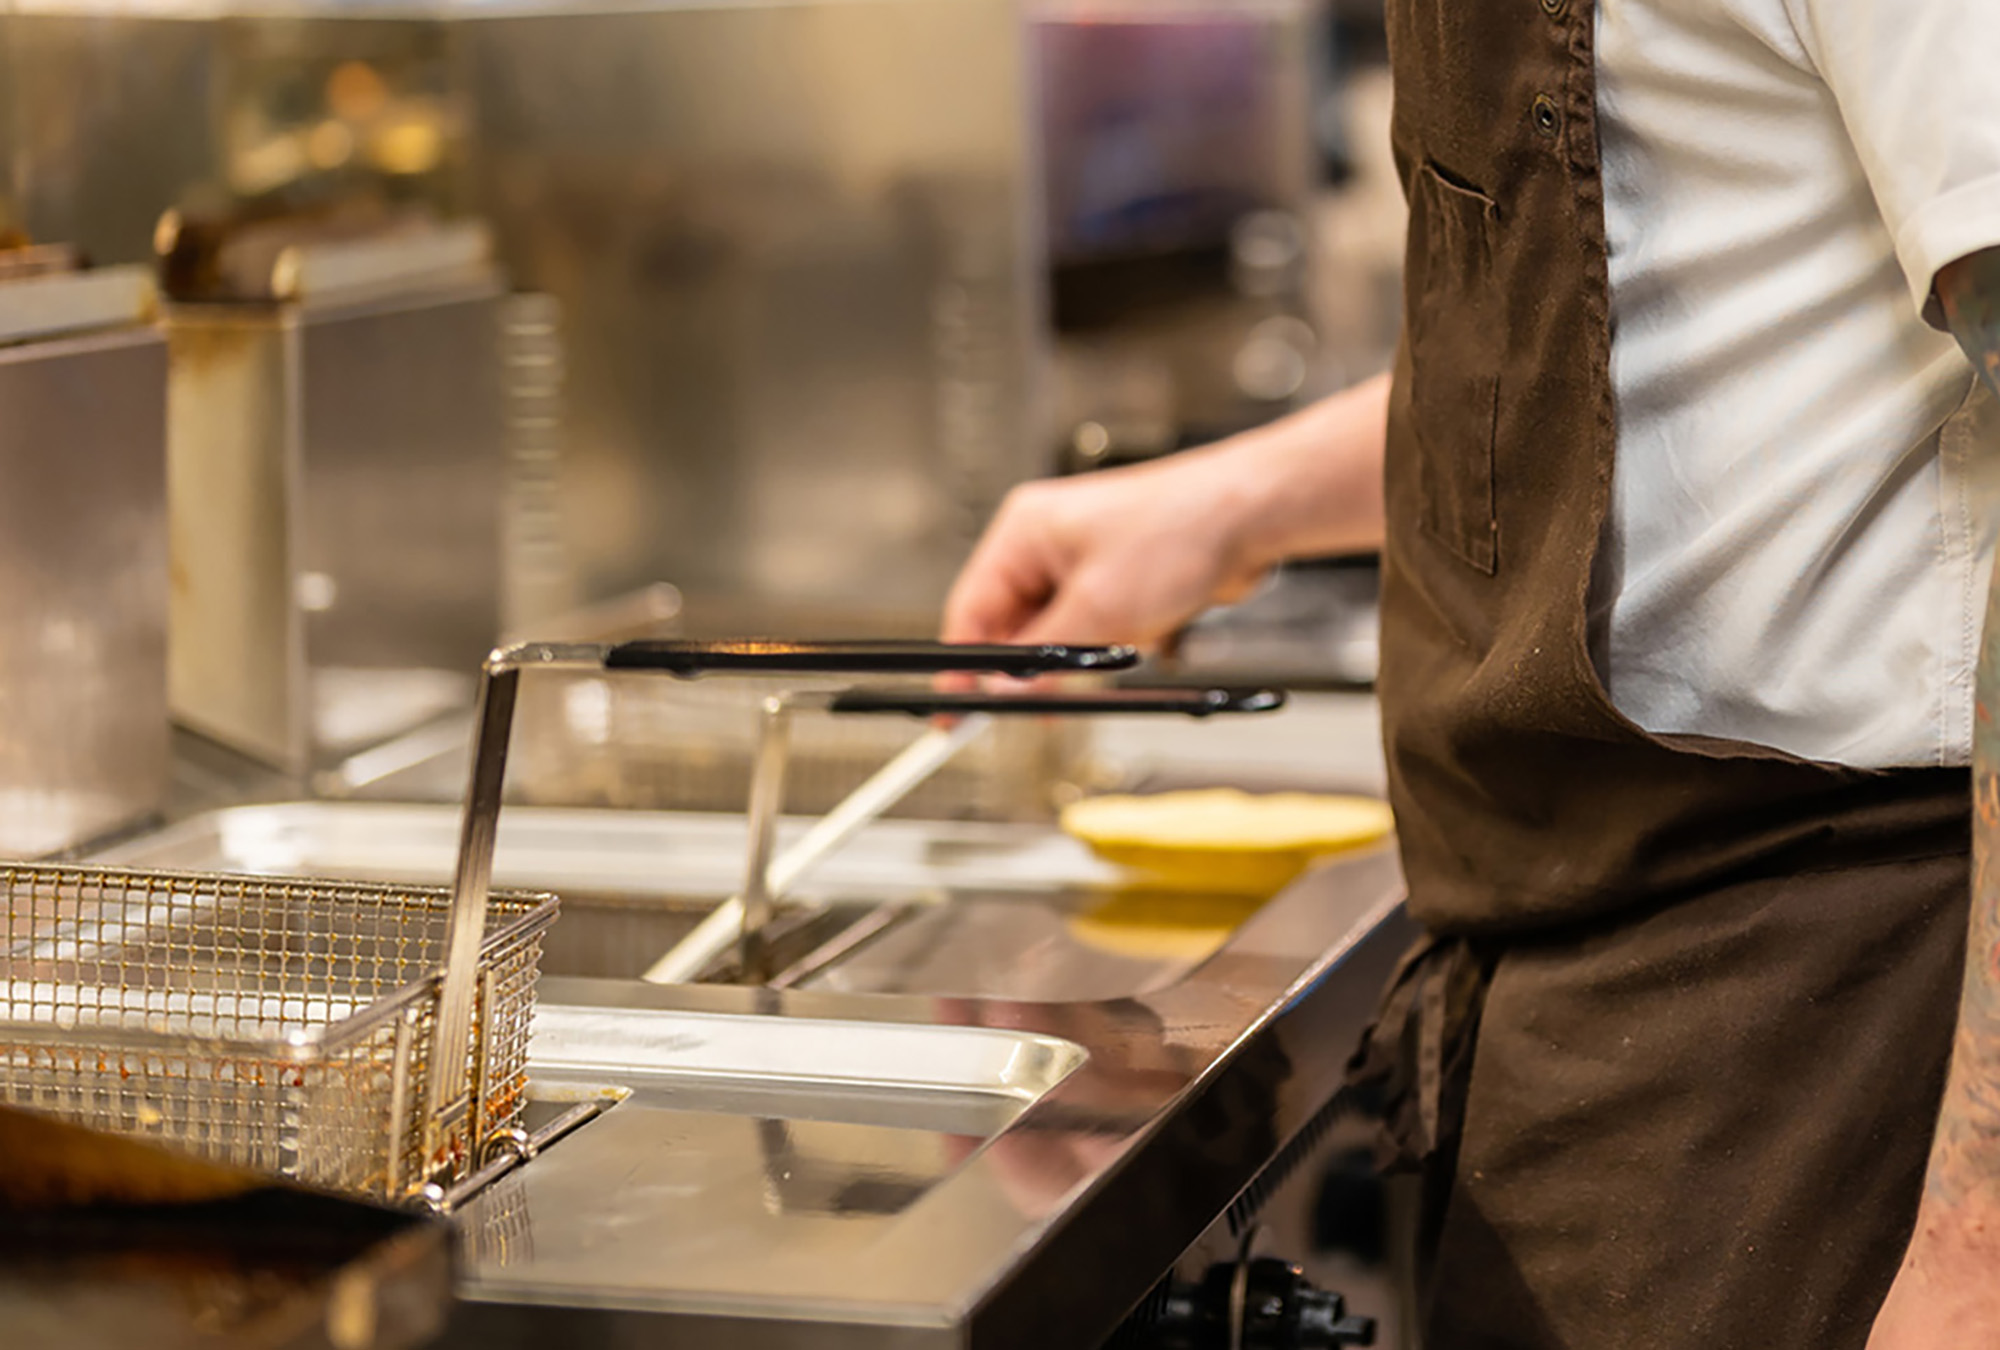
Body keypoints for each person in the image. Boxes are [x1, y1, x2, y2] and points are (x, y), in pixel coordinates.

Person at [941, 2, 2000, 1346]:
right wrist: (1237, 505)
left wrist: (1979, 1246)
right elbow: (1682, 334)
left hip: (1829, 1032)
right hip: (1595, 1016)